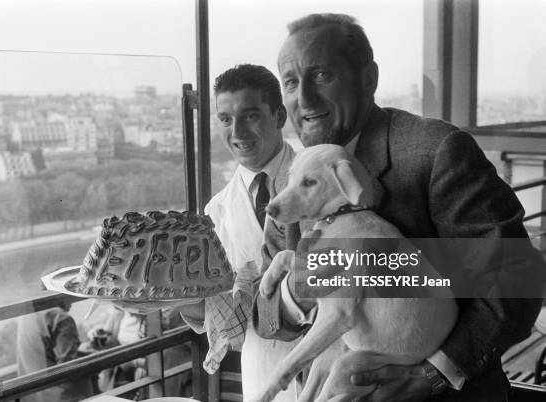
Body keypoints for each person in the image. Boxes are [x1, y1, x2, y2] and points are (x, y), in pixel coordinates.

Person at [254, 13, 546, 402]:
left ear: (368, 78)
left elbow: (518, 277)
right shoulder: (291, 178)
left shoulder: (436, 151)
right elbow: (267, 316)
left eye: (321, 75)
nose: (303, 98)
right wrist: (297, 289)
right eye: (290, 82)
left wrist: (435, 373)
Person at [179, 64, 300, 401]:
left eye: (250, 116)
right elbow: (221, 312)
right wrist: (177, 298)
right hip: (264, 369)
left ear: (278, 116)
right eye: (226, 119)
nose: (238, 132)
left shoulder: (319, 177)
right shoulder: (214, 212)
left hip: (330, 362)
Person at [16, 305, 94, 402]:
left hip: (34, 396)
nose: (73, 302)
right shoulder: (60, 318)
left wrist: (78, 352)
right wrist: (97, 357)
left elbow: (45, 354)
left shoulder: (27, 316)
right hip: (67, 397)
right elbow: (69, 368)